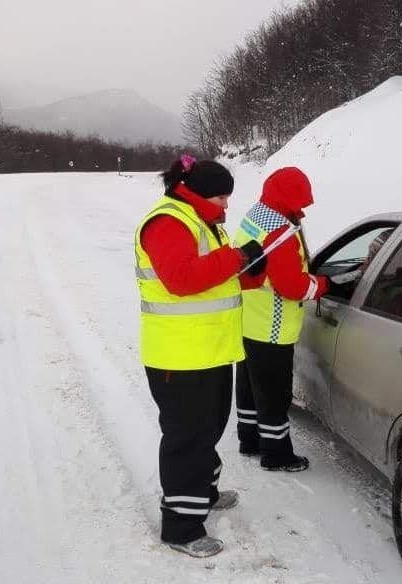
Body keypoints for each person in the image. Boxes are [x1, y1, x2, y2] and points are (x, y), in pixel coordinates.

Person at [135, 155, 265, 558]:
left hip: (209, 350)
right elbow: (182, 279)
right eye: (222, 196)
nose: (227, 204)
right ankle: (181, 526)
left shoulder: (203, 220)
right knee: (186, 438)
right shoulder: (167, 222)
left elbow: (219, 274)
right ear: (196, 192)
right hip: (179, 356)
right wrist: (237, 257)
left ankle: (202, 493)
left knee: (208, 429)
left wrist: (253, 266)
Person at [233, 167, 330, 472]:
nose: (301, 209)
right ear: (289, 197)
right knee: (274, 394)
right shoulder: (280, 232)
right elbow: (291, 286)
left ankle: (249, 440)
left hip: (248, 318)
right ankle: (276, 455)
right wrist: (323, 285)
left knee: (249, 386)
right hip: (273, 327)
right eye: (299, 202)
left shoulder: (256, 216)